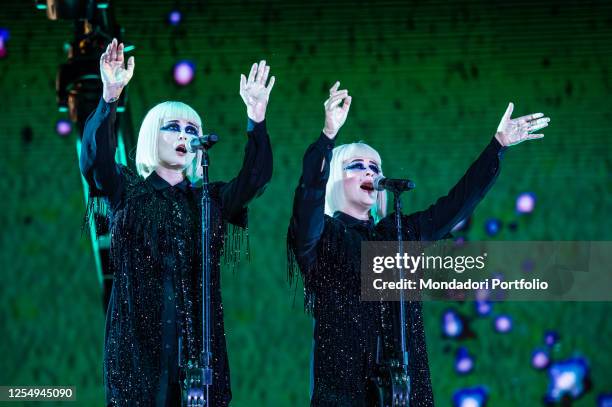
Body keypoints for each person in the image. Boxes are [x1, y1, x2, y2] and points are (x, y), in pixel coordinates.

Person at [288, 81, 550, 406]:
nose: (370, 172)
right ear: (333, 179)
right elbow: (308, 198)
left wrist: (497, 145)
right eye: (356, 166)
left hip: (402, 392)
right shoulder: (321, 236)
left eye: (375, 167)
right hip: (344, 391)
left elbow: (453, 207)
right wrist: (328, 136)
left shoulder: (397, 235)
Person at [80, 38, 275, 406]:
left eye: (191, 129)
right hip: (137, 344)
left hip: (199, 345)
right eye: (174, 127)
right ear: (153, 134)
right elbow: (94, 160)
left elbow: (255, 179)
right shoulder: (128, 189)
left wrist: (257, 119)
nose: (185, 136)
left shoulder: (209, 200)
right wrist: (110, 95)